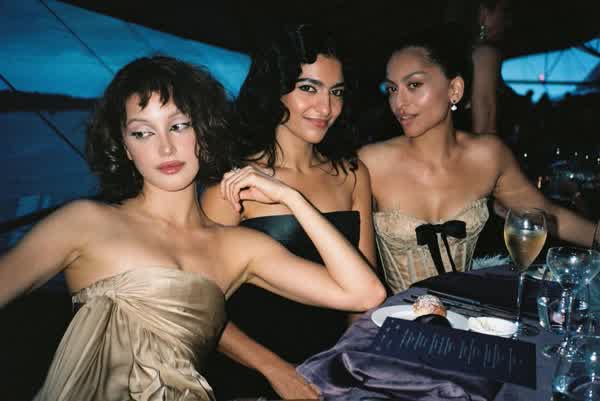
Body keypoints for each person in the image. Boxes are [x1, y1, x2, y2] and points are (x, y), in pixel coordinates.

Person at [0, 56, 385, 401]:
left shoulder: (238, 246)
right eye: (143, 132)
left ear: (204, 131)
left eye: (179, 125)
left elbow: (365, 293)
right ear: (125, 146)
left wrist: (291, 198)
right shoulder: (85, 223)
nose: (165, 148)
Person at [200, 24, 378, 400]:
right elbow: (201, 311)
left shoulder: (351, 173)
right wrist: (276, 371)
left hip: (335, 370)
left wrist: (346, 365)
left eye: (336, 92)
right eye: (309, 88)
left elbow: (366, 295)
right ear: (275, 90)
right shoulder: (232, 185)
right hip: (252, 377)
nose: (326, 108)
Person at [358, 26, 595, 294]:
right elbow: (355, 266)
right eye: (392, 88)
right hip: (394, 316)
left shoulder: (488, 156)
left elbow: (549, 215)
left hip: (467, 312)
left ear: (454, 89)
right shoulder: (371, 162)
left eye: (413, 85)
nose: (398, 102)